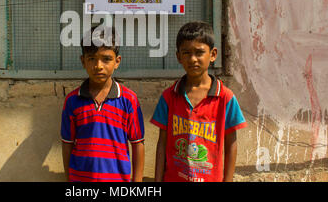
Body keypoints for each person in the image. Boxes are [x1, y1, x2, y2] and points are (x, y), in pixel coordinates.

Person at [151, 21, 247, 182]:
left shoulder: (225, 98)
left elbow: (231, 145)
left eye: (199, 52)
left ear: (213, 54)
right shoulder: (169, 97)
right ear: (178, 57)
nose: (193, 59)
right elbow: (162, 144)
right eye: (186, 53)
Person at [61, 26, 145, 182]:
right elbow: (67, 143)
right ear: (83, 61)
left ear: (117, 61)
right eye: (92, 58)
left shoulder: (128, 99)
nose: (98, 66)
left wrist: (137, 182)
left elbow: (137, 143)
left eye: (106, 59)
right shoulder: (73, 100)